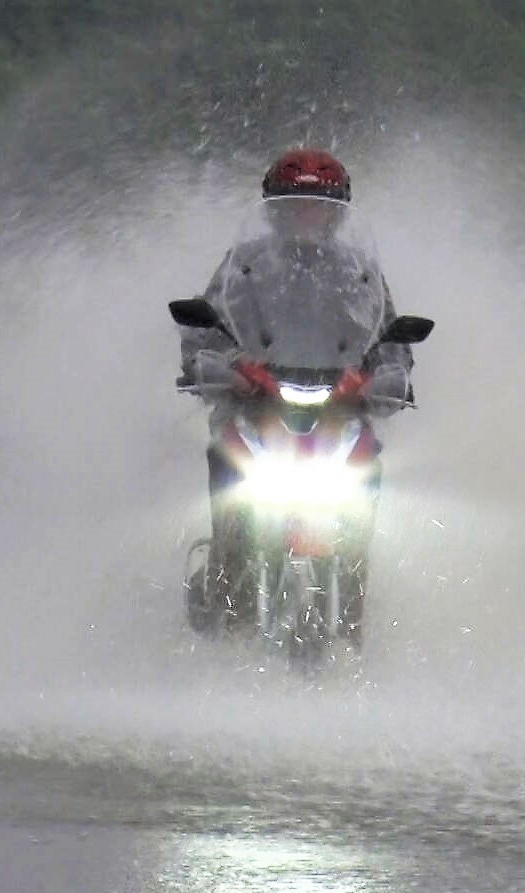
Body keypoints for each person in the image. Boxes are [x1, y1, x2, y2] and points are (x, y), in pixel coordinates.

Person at [178, 148, 414, 618]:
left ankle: (349, 613)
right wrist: (218, 366)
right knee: (229, 462)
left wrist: (389, 375)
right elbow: (206, 329)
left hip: (338, 411)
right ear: (274, 211)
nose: (308, 215)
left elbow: (388, 337)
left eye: (320, 206)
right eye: (295, 205)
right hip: (255, 404)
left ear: (337, 214)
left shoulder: (358, 272)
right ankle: (225, 583)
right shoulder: (244, 267)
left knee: (363, 469)